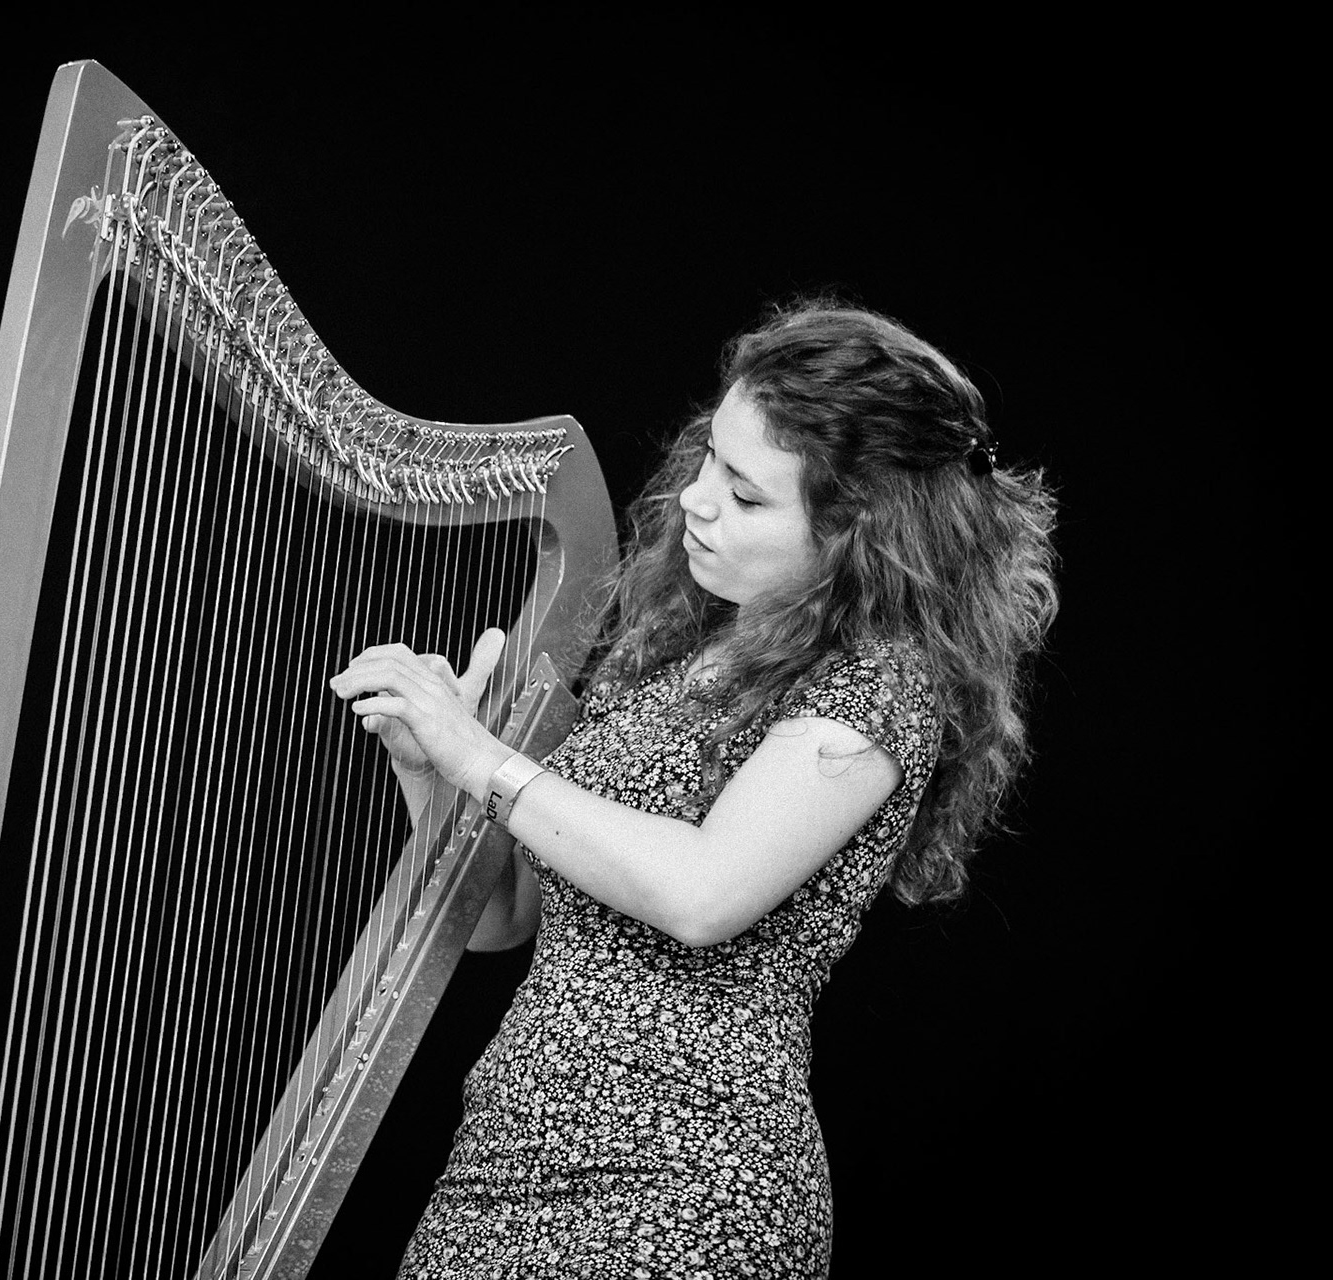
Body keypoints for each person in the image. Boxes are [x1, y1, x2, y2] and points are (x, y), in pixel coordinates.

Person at [330, 300, 1059, 1278]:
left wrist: (480, 757)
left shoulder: (878, 679)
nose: (697, 501)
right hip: (506, 1151)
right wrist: (428, 763)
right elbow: (502, 915)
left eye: (749, 495)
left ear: (857, 535)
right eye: (711, 457)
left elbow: (702, 893)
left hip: (688, 1172)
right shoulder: (680, 647)